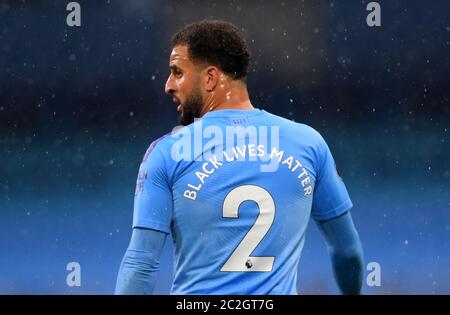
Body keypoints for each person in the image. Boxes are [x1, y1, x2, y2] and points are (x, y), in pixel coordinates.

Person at [115, 20, 364, 295]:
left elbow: (142, 263)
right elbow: (348, 253)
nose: (168, 85)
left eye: (177, 72)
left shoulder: (168, 152)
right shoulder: (308, 143)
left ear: (210, 78)